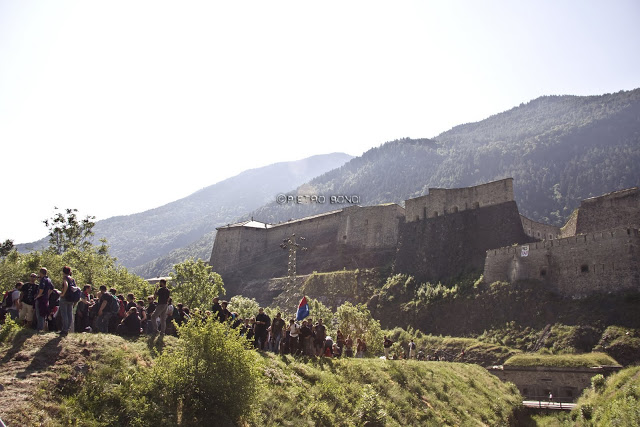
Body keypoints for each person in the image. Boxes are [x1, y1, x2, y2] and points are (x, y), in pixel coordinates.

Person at [58, 266, 76, 336]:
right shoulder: (72, 279)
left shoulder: (65, 278)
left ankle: (64, 330)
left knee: (64, 314)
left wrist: (63, 294)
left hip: (65, 298)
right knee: (69, 314)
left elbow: (66, 285)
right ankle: (68, 328)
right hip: (71, 298)